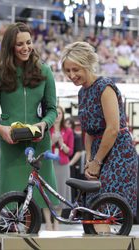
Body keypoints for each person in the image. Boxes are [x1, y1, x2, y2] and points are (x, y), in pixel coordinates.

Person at [0, 22, 59, 230]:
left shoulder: (45, 71)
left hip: (39, 145)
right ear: (9, 47)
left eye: (29, 42)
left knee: (36, 207)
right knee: (12, 206)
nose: (26, 48)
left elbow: (53, 109)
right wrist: (0, 129)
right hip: (11, 146)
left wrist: (44, 124)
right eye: (19, 44)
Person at [60, 41, 138, 221]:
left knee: (106, 210)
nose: (72, 75)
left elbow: (112, 129)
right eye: (68, 71)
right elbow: (87, 130)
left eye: (76, 69)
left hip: (119, 153)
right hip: (98, 153)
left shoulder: (105, 87)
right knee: (94, 209)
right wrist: (89, 160)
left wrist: (97, 161)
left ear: (87, 65)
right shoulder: (82, 93)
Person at [50, 106, 74, 230]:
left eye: (60, 113)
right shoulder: (47, 129)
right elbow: (43, 149)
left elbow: (70, 152)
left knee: (60, 192)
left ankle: (56, 223)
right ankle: (48, 223)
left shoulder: (68, 131)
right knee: (48, 192)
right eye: (55, 113)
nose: (58, 115)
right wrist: (52, 141)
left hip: (62, 165)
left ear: (63, 115)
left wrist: (61, 144)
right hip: (49, 164)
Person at [64, 117, 85, 200]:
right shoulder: (64, 135)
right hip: (64, 164)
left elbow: (79, 152)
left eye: (69, 123)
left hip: (72, 165)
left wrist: (70, 164)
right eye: (66, 123)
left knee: (71, 186)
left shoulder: (76, 136)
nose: (67, 125)